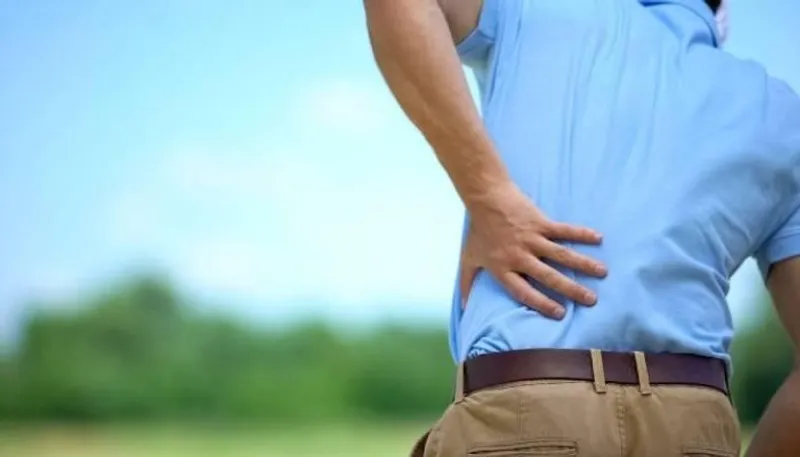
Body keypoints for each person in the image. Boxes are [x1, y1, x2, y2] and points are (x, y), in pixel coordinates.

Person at [364, 0, 800, 456]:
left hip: (532, 415)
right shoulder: (779, 112)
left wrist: (487, 196)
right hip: (696, 426)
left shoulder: (536, 11)